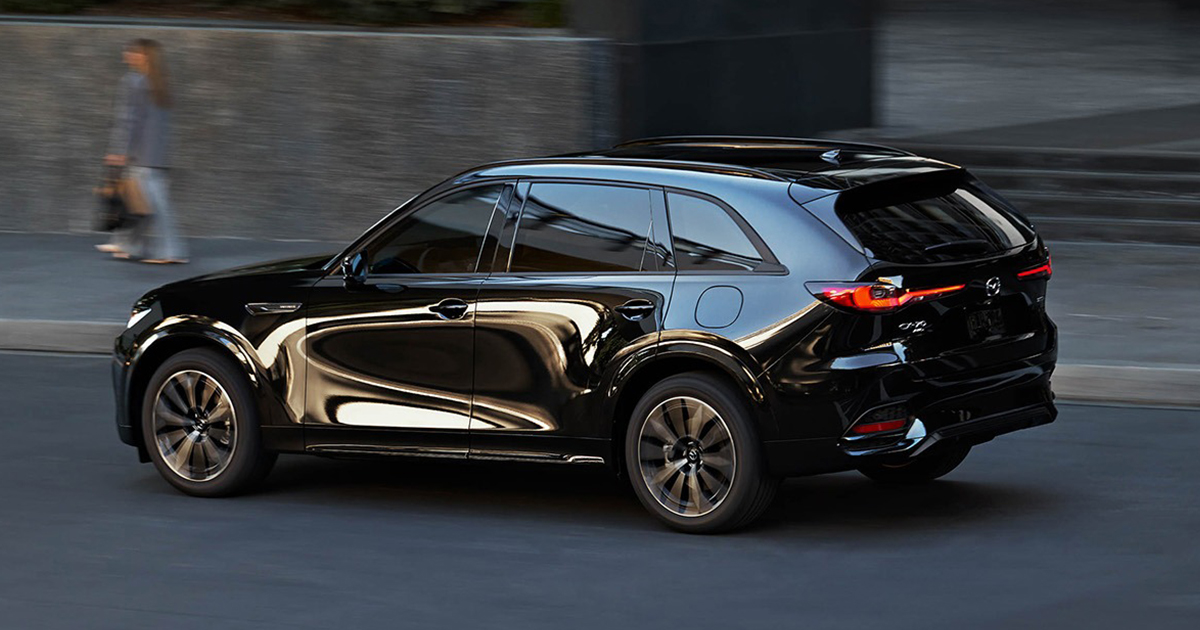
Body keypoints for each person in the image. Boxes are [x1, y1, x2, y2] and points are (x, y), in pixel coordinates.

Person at [97, 39, 187, 264]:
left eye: (131, 51)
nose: (126, 54)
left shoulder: (134, 81)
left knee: (154, 205)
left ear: (143, 56)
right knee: (140, 203)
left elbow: (129, 121)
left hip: (141, 156)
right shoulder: (159, 83)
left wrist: (119, 151)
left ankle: (170, 252)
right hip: (155, 154)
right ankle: (129, 245)